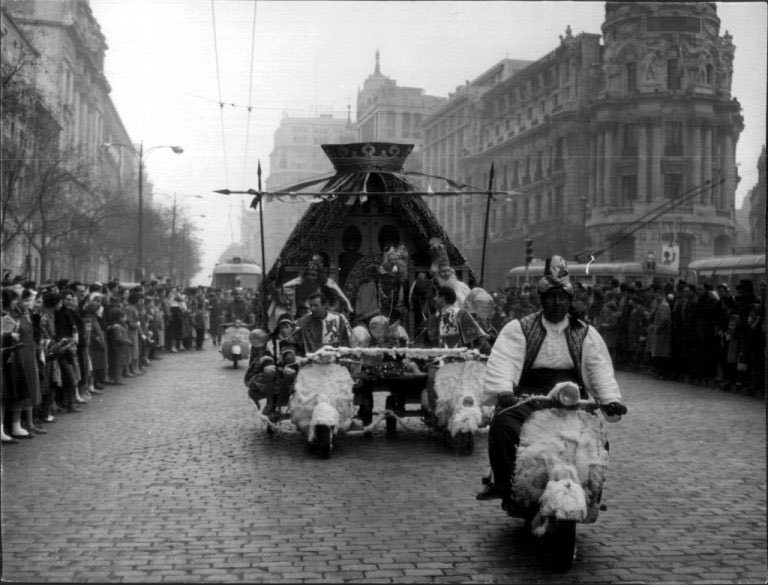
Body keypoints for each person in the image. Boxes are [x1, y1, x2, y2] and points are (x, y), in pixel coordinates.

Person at [476, 255, 627, 513]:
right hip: (528, 400)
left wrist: (610, 400)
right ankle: (507, 486)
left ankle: (592, 490)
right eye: (551, 297)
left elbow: (598, 369)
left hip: (572, 401)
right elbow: (504, 360)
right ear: (541, 299)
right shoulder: (519, 328)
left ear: (570, 301)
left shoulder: (585, 333)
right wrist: (503, 391)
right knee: (502, 425)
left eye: (562, 298)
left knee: (598, 437)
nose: (557, 303)